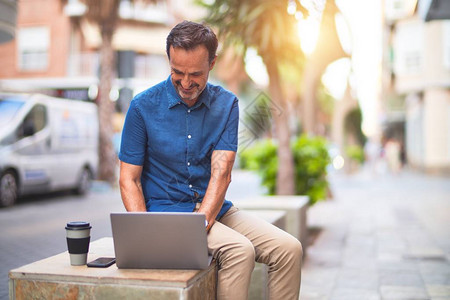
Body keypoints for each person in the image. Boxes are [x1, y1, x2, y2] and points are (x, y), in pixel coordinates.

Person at [118, 20, 302, 300]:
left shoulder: (227, 104)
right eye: (177, 72)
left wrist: (201, 223)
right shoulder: (142, 107)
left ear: (212, 63)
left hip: (215, 210)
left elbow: (222, 173)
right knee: (240, 251)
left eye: (196, 73)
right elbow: (128, 179)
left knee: (289, 249)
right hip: (167, 213)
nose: (186, 82)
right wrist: (146, 236)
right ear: (169, 60)